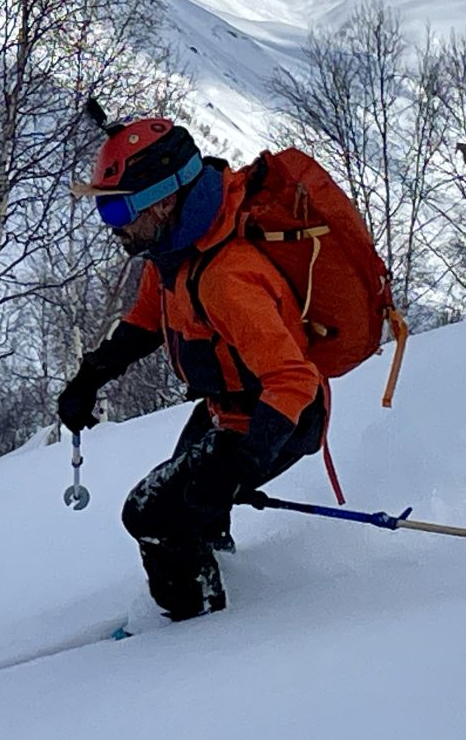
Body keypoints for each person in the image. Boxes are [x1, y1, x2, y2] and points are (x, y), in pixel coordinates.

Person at [62, 115, 328, 621]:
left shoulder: (227, 278)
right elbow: (145, 321)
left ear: (164, 200)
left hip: (278, 418)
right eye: (103, 208)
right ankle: (219, 580)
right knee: (193, 507)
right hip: (226, 407)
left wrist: (243, 463)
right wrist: (90, 377)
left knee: (150, 515)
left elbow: (293, 379)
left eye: (117, 208)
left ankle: (196, 626)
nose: (112, 225)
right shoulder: (171, 252)